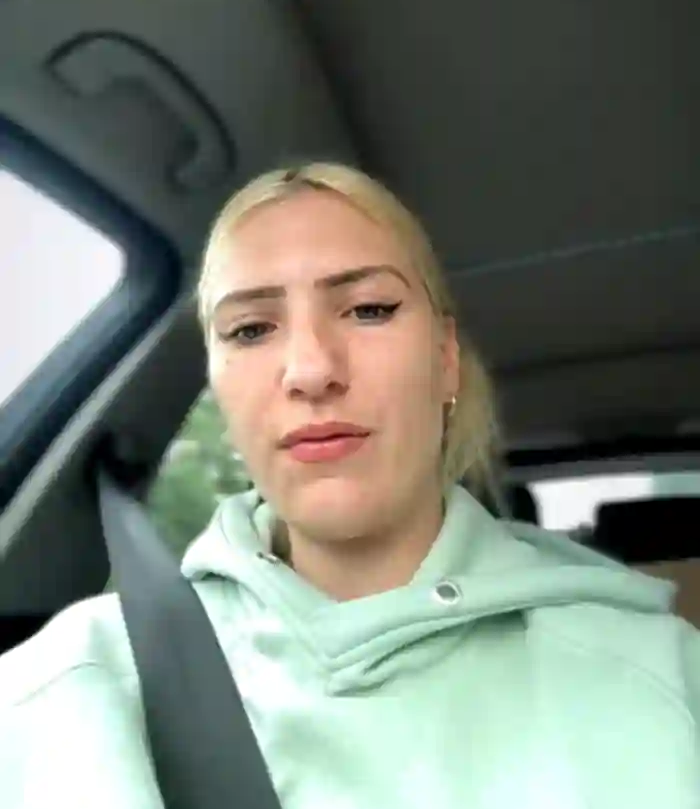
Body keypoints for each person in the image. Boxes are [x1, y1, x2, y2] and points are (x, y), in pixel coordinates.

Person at [1, 161, 699, 809]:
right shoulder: (70, 683)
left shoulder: (666, 680)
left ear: (445, 359)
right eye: (250, 329)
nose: (310, 370)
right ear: (217, 380)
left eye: (369, 309)